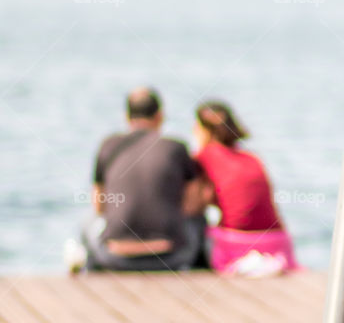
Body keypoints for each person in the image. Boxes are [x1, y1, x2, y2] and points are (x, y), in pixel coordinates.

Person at [85, 87, 207, 271]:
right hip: (172, 256)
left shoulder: (108, 146)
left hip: (114, 256)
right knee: (199, 221)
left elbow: (99, 205)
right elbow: (192, 206)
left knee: (86, 223)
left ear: (127, 116)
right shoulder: (176, 147)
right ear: (160, 116)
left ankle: (92, 275)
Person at [192, 100, 300, 275]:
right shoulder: (251, 158)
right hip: (278, 241)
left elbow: (196, 202)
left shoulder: (205, 155)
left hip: (236, 243)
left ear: (202, 130)